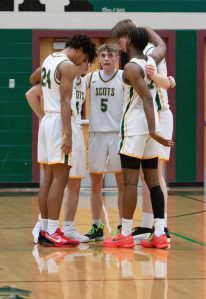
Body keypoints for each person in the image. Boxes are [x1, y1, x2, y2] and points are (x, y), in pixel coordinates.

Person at [103, 26, 173, 249]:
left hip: (136, 127)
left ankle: (124, 233)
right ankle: (159, 233)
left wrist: (153, 130)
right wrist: (144, 29)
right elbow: (162, 45)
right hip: (152, 127)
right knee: (153, 182)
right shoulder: (151, 60)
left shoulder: (131, 68)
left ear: (131, 41)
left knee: (130, 181)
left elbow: (146, 99)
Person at [27, 34, 97, 247]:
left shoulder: (49, 59)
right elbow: (66, 102)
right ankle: (50, 230)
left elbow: (32, 79)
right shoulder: (66, 65)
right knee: (60, 178)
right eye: (84, 58)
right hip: (59, 122)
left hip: (47, 121)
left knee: (47, 178)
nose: (81, 63)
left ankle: (46, 229)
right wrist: (67, 133)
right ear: (80, 50)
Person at [84, 43, 125, 241]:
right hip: (97, 134)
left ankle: (122, 226)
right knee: (95, 183)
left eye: (111, 55)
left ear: (117, 58)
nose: (107, 59)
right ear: (99, 58)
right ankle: (96, 226)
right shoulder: (91, 77)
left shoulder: (125, 77)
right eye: (103, 55)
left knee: (122, 182)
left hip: (118, 134)